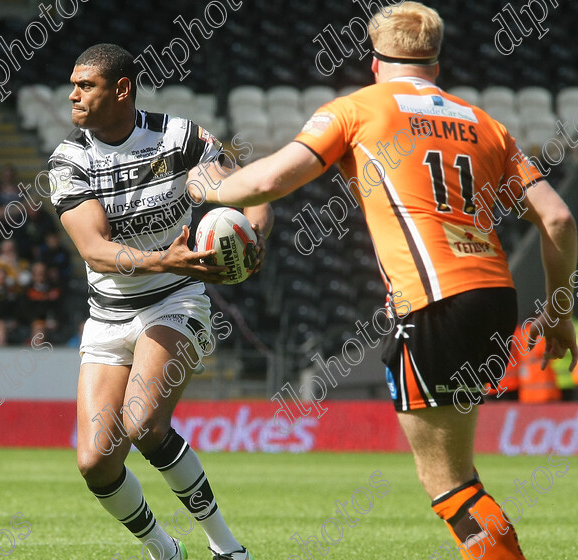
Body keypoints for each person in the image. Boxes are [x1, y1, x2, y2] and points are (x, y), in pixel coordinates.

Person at [190, 3, 577, 559]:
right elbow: (559, 218)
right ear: (436, 67)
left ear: (374, 63)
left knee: (449, 483)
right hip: (496, 298)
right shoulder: (484, 122)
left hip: (433, 302)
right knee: (461, 475)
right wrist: (558, 312)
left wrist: (210, 187)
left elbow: (271, 180)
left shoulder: (358, 109)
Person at [48, 44, 272, 560]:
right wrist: (159, 259)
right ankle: (165, 550)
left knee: (144, 422)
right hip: (108, 313)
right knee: (95, 463)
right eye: (73, 84)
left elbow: (247, 192)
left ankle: (227, 549)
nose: (73, 94)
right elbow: (95, 250)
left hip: (176, 299)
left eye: (86, 85)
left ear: (121, 89)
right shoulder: (70, 159)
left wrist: (253, 236)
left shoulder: (181, 139)